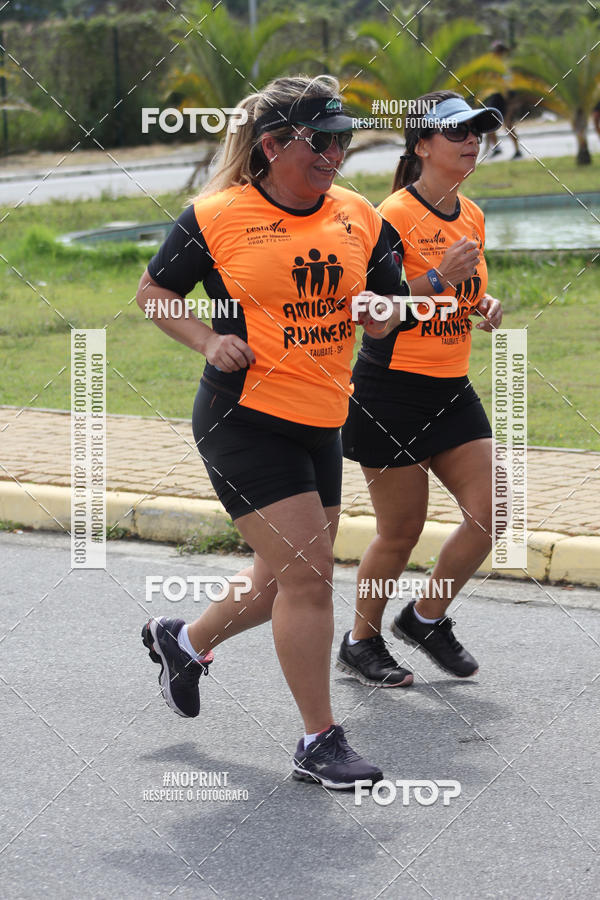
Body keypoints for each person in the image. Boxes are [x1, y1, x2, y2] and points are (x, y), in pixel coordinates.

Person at [135, 75, 409, 789]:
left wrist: (383, 312)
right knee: (312, 580)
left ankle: (184, 643)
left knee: (278, 581)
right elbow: (154, 293)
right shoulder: (218, 215)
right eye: (319, 141)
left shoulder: (359, 214)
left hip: (322, 422)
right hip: (244, 420)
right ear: (271, 145)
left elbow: (388, 304)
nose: (335, 154)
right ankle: (319, 741)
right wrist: (204, 341)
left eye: (343, 139)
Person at [338, 91, 504, 687]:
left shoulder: (473, 214)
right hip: (391, 393)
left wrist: (478, 300)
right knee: (400, 532)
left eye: (478, 133)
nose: (471, 142)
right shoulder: (390, 217)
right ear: (422, 145)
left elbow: (454, 292)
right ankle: (361, 641)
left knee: (491, 515)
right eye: (457, 131)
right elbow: (372, 310)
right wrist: (439, 278)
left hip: (451, 389)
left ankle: (426, 617)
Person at [483, 41, 522, 159]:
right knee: (489, 124)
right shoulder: (493, 66)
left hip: (505, 98)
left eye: (498, 51)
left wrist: (511, 101)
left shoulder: (505, 67)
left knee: (508, 125)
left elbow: (510, 84)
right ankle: (496, 148)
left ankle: (517, 150)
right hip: (496, 97)